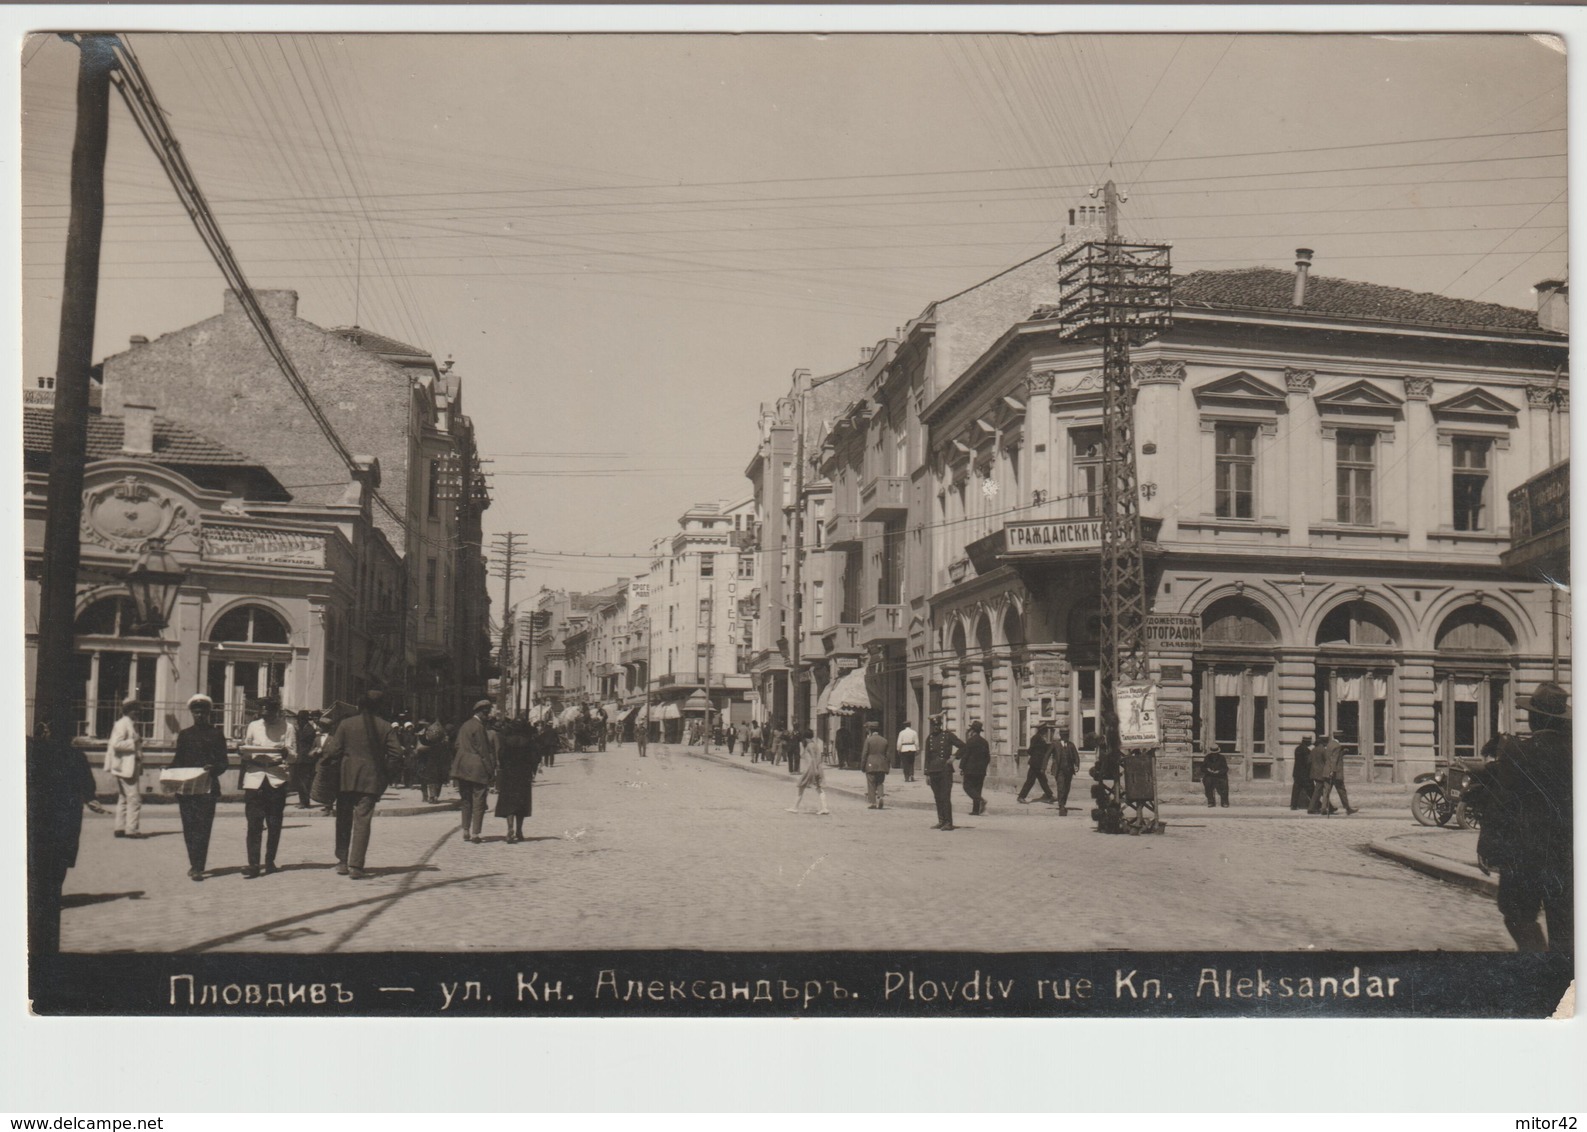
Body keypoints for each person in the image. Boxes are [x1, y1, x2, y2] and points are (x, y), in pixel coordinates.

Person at [1473, 681, 1573, 953]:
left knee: (1518, 916)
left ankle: (1538, 966)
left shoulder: (1519, 753)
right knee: (1567, 928)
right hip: (1569, 856)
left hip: (1524, 854)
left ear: (1534, 718)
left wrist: (1487, 847)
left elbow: (1500, 805)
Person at [28, 722, 108, 953]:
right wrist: (91, 800)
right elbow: (89, 789)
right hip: (65, 826)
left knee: (37, 873)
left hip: (39, 825)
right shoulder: (77, 757)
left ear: (48, 731)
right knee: (55, 875)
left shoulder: (35, 753)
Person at [321, 689, 402, 879]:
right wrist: (385, 775)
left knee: (343, 820)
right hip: (371, 780)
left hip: (345, 779)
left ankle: (342, 862)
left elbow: (333, 751)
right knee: (362, 821)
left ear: (360, 706)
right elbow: (396, 754)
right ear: (380, 707)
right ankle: (356, 866)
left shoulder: (345, 724)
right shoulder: (385, 726)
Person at [169, 695, 231, 882]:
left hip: (207, 787)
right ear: (191, 713)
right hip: (186, 788)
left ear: (209, 713)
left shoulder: (216, 734)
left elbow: (224, 762)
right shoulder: (185, 735)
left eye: (203, 712)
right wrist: (168, 772)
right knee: (189, 827)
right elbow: (178, 760)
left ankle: (198, 866)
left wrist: (214, 768)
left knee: (203, 827)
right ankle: (194, 863)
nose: (199, 715)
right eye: (196, 712)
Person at [240, 697, 294, 878]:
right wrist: (243, 753)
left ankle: (270, 861)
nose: (265, 717)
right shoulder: (254, 726)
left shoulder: (288, 728)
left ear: (276, 711)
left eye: (269, 714)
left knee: (274, 823)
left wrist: (286, 752)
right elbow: (246, 748)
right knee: (254, 823)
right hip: (254, 779)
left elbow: (294, 756)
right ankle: (253, 864)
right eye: (262, 714)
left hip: (276, 779)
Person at [452, 699, 498, 843]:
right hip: (477, 769)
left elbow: (457, 745)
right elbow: (484, 752)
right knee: (478, 801)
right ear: (482, 713)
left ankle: (465, 829)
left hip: (461, 767)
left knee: (465, 801)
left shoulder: (464, 725)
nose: (488, 716)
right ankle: (475, 833)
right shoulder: (479, 728)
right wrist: (491, 771)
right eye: (487, 713)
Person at [104, 698, 144, 839]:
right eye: (135, 709)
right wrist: (134, 741)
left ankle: (120, 828)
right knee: (134, 798)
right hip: (125, 767)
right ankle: (131, 830)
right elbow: (116, 744)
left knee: (123, 798)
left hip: (128, 766)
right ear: (128, 711)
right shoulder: (122, 724)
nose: (137, 712)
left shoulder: (130, 724)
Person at [495, 718, 540, 843]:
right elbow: (535, 758)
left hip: (509, 774)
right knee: (521, 802)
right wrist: (532, 770)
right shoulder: (528, 741)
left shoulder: (507, 741)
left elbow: (501, 756)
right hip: (524, 775)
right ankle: (519, 831)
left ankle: (510, 828)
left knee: (509, 802)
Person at [923, 715, 964, 830]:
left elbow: (963, 746)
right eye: (933, 725)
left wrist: (954, 757)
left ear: (940, 725)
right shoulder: (929, 738)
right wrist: (927, 773)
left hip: (945, 770)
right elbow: (927, 757)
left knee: (945, 796)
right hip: (933, 771)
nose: (935, 727)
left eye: (937, 725)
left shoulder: (947, 736)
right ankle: (941, 820)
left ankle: (948, 822)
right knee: (937, 797)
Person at [1308, 732, 1356, 816]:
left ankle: (1323, 808)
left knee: (1326, 791)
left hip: (1326, 772)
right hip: (1335, 773)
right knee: (1342, 791)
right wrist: (1332, 771)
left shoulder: (1329, 745)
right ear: (1341, 738)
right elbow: (1334, 759)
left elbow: (1329, 757)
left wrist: (1342, 753)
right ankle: (1348, 808)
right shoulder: (1337, 746)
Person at [786, 729, 831, 815]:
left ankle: (795, 807)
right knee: (819, 788)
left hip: (811, 768)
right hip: (817, 767)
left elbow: (813, 758)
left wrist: (815, 769)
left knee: (801, 786)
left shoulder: (809, 746)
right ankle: (824, 807)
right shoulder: (814, 744)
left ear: (805, 737)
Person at [1017, 722, 1057, 804]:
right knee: (1031, 781)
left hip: (1037, 763)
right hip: (1035, 763)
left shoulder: (1040, 738)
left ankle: (1049, 796)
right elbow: (1030, 750)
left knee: (1043, 780)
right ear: (1042, 730)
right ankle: (1021, 797)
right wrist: (1037, 756)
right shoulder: (1036, 738)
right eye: (1045, 730)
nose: (1046, 732)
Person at [288, 710, 319, 809]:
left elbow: (303, 742)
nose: (298, 721)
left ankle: (305, 802)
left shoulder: (309, 730)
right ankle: (303, 801)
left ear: (304, 720)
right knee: (300, 782)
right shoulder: (302, 728)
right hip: (300, 759)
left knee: (305, 782)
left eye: (300, 719)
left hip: (306, 760)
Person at [960, 720, 991, 816]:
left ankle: (981, 800)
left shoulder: (970, 741)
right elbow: (988, 757)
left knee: (967, 787)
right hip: (981, 770)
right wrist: (984, 766)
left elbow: (966, 755)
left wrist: (962, 767)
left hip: (970, 769)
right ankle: (976, 810)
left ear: (972, 731)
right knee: (978, 788)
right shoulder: (985, 742)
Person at [1051, 724, 1082, 816]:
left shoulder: (1071, 745)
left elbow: (1076, 756)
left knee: (1066, 788)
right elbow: (1047, 755)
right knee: (1061, 787)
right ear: (1061, 735)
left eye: (1067, 734)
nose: (1066, 736)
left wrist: (1077, 765)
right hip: (1059, 770)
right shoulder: (1055, 745)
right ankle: (1061, 806)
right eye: (1064, 734)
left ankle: (1063, 803)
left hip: (1069, 770)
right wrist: (1043, 767)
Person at [860, 720, 891, 809]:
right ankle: (880, 796)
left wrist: (862, 766)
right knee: (880, 782)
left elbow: (864, 754)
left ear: (870, 730)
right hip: (882, 764)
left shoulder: (868, 740)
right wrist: (887, 766)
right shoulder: (884, 740)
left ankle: (873, 802)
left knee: (871, 783)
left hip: (870, 764)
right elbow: (888, 755)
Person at [1202, 743, 1230, 808]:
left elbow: (1225, 768)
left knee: (1224, 784)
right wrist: (1208, 770)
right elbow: (1202, 768)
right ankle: (1211, 802)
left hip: (1220, 775)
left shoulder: (1222, 758)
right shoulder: (1207, 757)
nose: (1214, 754)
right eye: (1213, 753)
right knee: (1208, 782)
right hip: (1210, 775)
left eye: (1215, 753)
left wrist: (1219, 771)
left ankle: (1224, 802)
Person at [1290, 736, 1313, 811]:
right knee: (1311, 790)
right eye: (1309, 742)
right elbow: (1308, 762)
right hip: (1304, 774)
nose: (1310, 743)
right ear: (1306, 742)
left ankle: (1293, 805)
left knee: (1296, 790)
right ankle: (1316, 805)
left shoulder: (1297, 749)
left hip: (1297, 773)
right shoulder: (1306, 750)